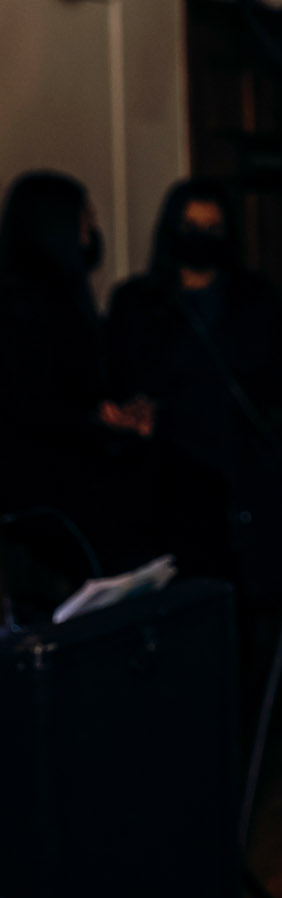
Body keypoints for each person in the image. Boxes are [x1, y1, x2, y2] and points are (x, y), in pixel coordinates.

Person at [104, 180, 282, 610]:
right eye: (191, 226)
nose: (201, 237)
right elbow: (119, 381)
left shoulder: (255, 300)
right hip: (170, 486)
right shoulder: (137, 303)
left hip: (245, 480)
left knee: (255, 606)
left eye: (213, 228)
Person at [0, 170, 154, 602]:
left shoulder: (58, 299)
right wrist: (102, 424)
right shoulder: (27, 307)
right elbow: (32, 406)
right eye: (84, 222)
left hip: (64, 477)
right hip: (47, 491)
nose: (92, 232)